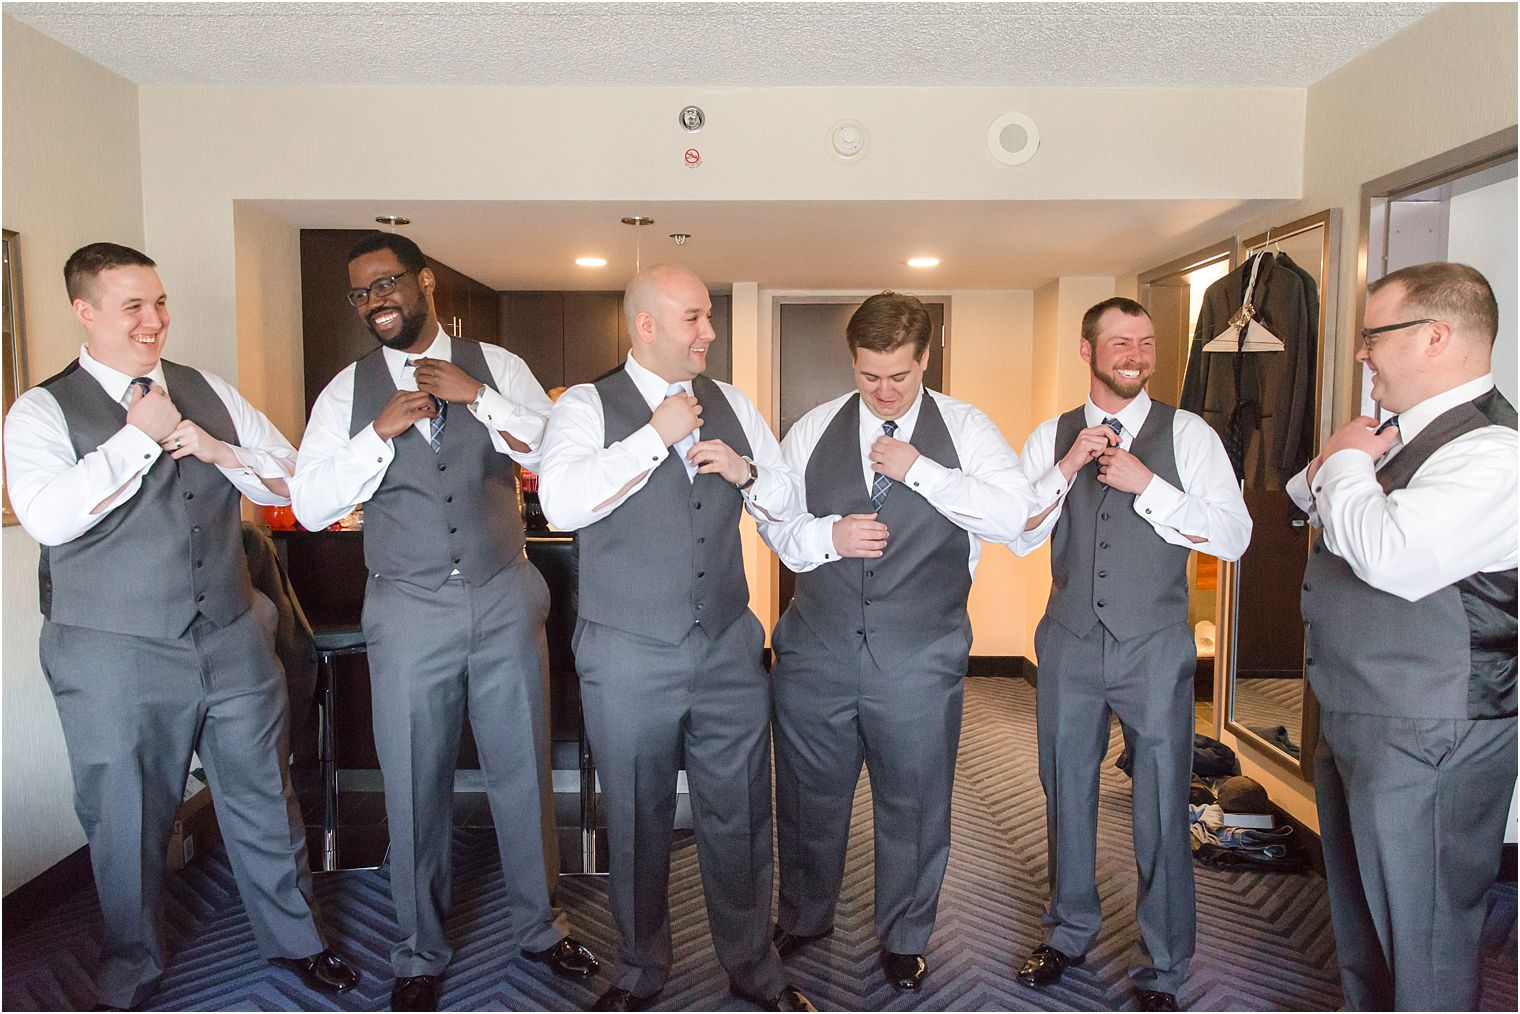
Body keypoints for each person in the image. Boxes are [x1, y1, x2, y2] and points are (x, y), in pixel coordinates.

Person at [3, 242, 359, 1010]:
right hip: (112, 652)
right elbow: (47, 516)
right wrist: (139, 437)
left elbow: (294, 476)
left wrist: (218, 447)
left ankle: (297, 942)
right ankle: (132, 966)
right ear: (85, 311)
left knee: (265, 795)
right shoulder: (39, 410)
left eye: (159, 303)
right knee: (125, 814)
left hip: (229, 633)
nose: (153, 322)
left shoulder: (207, 390)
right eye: (132, 306)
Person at [290, 232, 597, 1012]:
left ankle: (539, 925)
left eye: (387, 283)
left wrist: (479, 397)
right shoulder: (344, 393)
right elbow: (310, 504)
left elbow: (554, 451)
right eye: (360, 293)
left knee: (521, 771)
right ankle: (418, 950)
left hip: (503, 594)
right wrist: (377, 434)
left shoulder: (501, 367)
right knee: (415, 784)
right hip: (407, 606)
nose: (375, 301)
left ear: (424, 282)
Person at [538, 263, 814, 1013]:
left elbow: (788, 496)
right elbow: (561, 501)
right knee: (635, 813)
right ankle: (638, 970)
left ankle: (754, 967)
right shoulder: (586, 407)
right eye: (695, 318)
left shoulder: (731, 403)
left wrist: (749, 470)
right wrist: (654, 439)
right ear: (647, 325)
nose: (710, 332)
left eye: (710, 317)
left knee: (742, 813)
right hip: (626, 651)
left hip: (726, 646)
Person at [756, 291, 1045, 994]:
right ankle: (803, 914)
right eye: (868, 376)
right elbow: (773, 522)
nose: (884, 392)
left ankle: (907, 934)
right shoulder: (815, 428)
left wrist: (918, 468)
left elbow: (1015, 518)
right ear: (852, 363)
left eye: (900, 377)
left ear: (925, 359)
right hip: (815, 653)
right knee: (805, 797)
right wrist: (828, 536)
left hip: (920, 655)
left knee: (914, 803)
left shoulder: (968, 430)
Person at [1012, 296, 1251, 1012]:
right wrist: (1063, 470)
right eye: (1120, 341)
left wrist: (1151, 487)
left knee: (1159, 803)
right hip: (1069, 644)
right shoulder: (1051, 435)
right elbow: (1015, 533)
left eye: (1145, 343)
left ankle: (1165, 964)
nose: (1136, 355)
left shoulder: (1192, 436)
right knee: (1067, 792)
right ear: (1087, 351)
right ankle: (1069, 929)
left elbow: (1233, 537)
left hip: (1154, 648)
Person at [1291, 262, 1516, 1011]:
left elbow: (1391, 556)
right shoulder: (1402, 437)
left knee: (1425, 934)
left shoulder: (1493, 452)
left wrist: (1348, 459)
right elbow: (1307, 495)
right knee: (1364, 927)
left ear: (1436, 336)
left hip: (1431, 726)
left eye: (1371, 336)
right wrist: (1350, 458)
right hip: (1364, 708)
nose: (1362, 354)